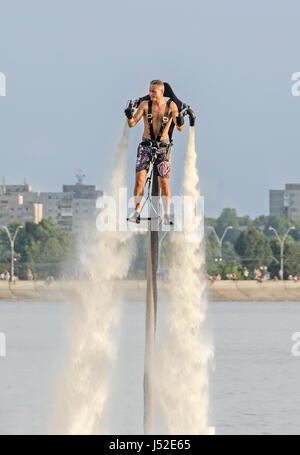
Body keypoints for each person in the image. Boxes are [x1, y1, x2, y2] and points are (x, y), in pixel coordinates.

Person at [125, 80, 184, 224]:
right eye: (150, 91)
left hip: (163, 148)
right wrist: (129, 115)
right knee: (139, 180)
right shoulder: (145, 105)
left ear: (161, 92)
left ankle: (166, 214)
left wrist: (181, 121)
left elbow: (179, 128)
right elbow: (132, 124)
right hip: (146, 146)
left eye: (153, 91)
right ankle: (137, 211)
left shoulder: (171, 106)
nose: (150, 94)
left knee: (164, 182)